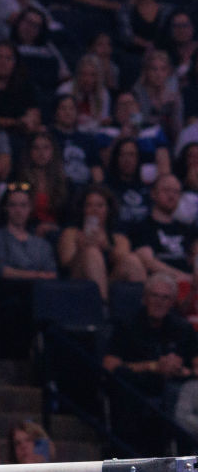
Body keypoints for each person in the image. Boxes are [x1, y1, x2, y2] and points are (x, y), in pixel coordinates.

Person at [104, 271, 197, 451]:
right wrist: (153, 366)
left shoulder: (182, 329)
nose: (159, 301)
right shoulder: (126, 325)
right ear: (145, 298)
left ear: (172, 302)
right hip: (138, 388)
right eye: (155, 295)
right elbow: (109, 365)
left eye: (165, 297)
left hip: (178, 388)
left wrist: (183, 371)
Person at [58, 184, 146, 300]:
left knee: (133, 260)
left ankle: (144, 306)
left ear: (108, 209)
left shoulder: (119, 238)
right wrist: (81, 250)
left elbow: (124, 260)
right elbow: (65, 265)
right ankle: (102, 308)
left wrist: (107, 247)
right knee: (91, 252)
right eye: (89, 205)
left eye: (100, 205)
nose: (95, 210)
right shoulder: (71, 233)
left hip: (110, 281)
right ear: (83, 209)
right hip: (78, 281)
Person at [0, 184, 58, 282]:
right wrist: (38, 275)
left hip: (40, 293)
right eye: (13, 205)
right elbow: (1, 271)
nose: (18, 210)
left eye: (23, 205)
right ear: (5, 208)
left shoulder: (42, 244)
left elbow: (52, 274)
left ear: (30, 208)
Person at [132, 173, 195, 281]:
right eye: (166, 190)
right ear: (153, 193)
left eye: (176, 192)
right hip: (160, 285)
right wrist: (185, 278)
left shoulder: (186, 228)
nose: (172, 196)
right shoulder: (142, 227)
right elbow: (148, 262)